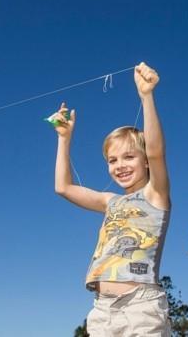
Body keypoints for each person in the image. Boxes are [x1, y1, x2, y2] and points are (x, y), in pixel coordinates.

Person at [50, 62, 171, 336]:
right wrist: (64, 139)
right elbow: (63, 187)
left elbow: (156, 151)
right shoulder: (109, 201)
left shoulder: (156, 194)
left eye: (129, 157)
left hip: (142, 308)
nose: (120, 165)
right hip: (102, 311)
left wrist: (146, 97)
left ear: (145, 162)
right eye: (112, 160)